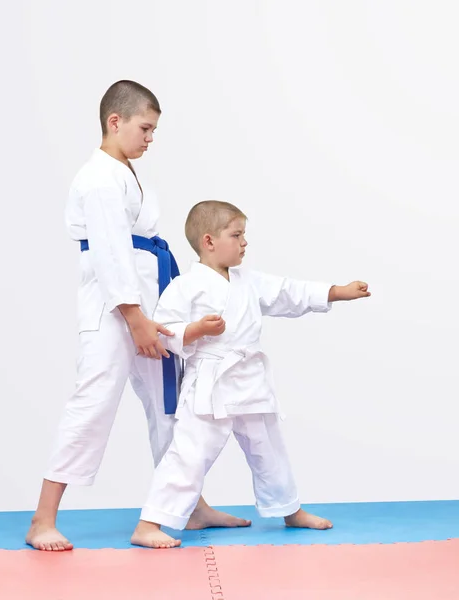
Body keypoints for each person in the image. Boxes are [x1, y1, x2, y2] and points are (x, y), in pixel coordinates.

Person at [26, 85, 249, 552]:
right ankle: (42, 519)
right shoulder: (99, 178)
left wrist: (154, 315)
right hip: (117, 313)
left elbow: (135, 252)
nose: (150, 138)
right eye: (145, 128)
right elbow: (110, 254)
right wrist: (134, 319)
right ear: (115, 121)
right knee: (93, 404)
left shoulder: (125, 173)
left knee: (171, 406)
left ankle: (186, 505)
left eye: (153, 129)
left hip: (150, 309)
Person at [131, 200, 370, 548]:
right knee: (189, 454)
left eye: (244, 235)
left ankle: (290, 509)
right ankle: (150, 524)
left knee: (270, 450)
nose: (245, 242)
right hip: (211, 386)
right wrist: (196, 330)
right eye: (237, 235)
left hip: (250, 382)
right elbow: (164, 330)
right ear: (209, 242)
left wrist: (337, 292)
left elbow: (290, 292)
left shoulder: (249, 281)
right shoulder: (185, 286)